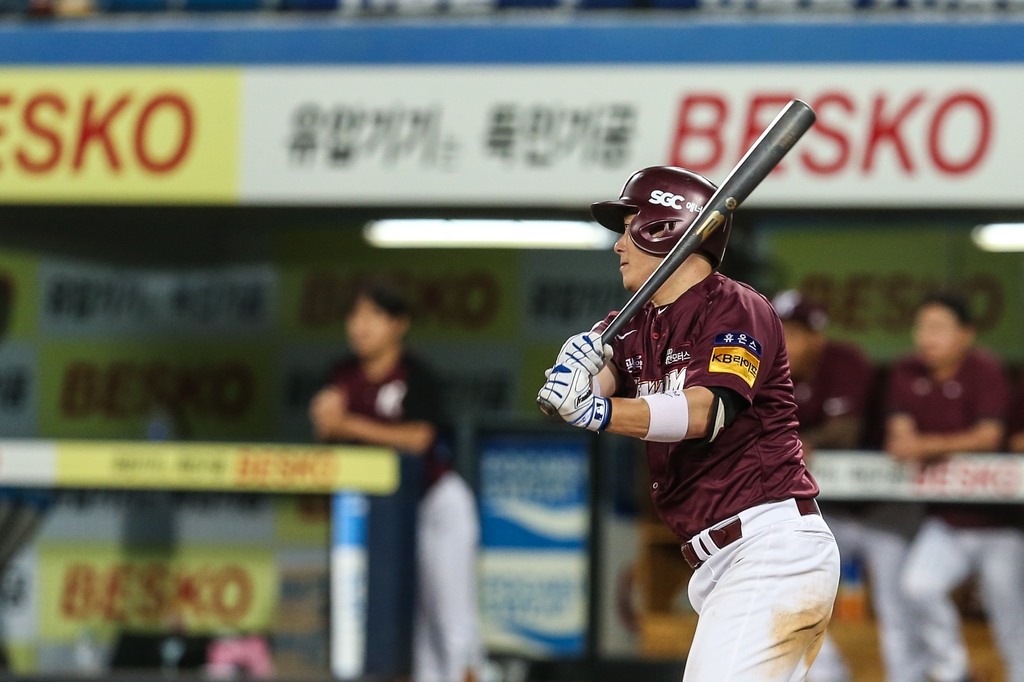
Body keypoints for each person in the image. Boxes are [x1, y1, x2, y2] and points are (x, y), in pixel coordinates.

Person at [537, 166, 840, 682]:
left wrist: (599, 411)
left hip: (771, 548)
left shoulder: (736, 308)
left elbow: (707, 411)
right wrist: (578, 373)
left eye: (631, 224)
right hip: (719, 564)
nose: (617, 245)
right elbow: (601, 382)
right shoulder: (631, 324)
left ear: (667, 228)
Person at [309, 281, 483, 682]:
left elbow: (419, 438)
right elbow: (324, 427)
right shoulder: (342, 374)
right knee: (409, 619)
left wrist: (347, 423)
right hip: (381, 513)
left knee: (452, 615)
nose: (360, 326)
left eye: (373, 316)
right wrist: (327, 417)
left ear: (398, 324)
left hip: (435, 502)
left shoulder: (416, 374)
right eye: (355, 316)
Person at [773, 291, 927, 682]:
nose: (786, 341)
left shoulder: (845, 360)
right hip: (832, 511)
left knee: (897, 607)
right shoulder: (768, 366)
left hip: (886, 508)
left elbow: (845, 431)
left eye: (795, 333)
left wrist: (805, 442)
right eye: (780, 330)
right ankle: (828, 676)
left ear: (817, 337)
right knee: (794, 593)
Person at [888, 293, 1024, 682]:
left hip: (1001, 524)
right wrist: (915, 444)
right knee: (917, 585)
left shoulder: (985, 369)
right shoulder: (907, 370)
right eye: (921, 327)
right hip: (946, 520)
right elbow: (900, 436)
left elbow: (989, 437)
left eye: (938, 328)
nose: (925, 337)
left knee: (1010, 617)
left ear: (965, 334)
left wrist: (926, 446)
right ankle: (953, 671)